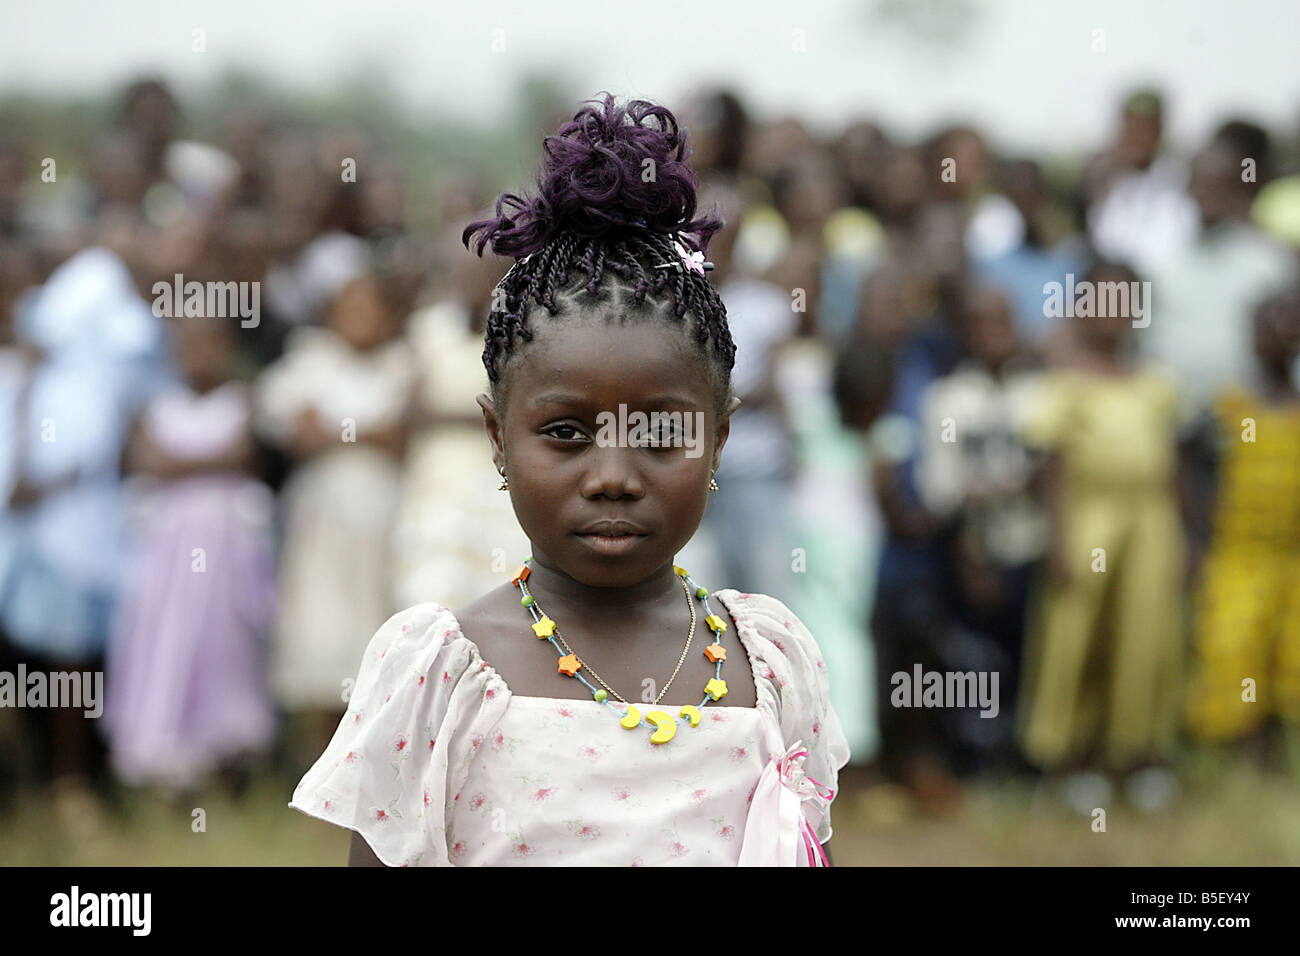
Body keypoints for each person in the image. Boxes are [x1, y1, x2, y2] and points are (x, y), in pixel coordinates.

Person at [288, 94, 850, 866]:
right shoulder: (444, 676)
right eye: (565, 433)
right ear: (497, 437)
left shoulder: (770, 666)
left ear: (719, 439)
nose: (613, 476)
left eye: (660, 432)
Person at [1017, 261, 1185, 813]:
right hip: (1088, 519)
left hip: (1151, 521)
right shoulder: (1066, 383)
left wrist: (1184, 534)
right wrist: (1061, 538)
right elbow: (1054, 468)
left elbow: (1171, 466)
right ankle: (1073, 758)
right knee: (1078, 634)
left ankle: (1138, 755)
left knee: (1146, 635)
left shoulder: (1155, 382)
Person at [256, 242, 419, 764]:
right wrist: (368, 433)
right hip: (322, 523)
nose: (360, 318)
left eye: (371, 307)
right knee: (324, 630)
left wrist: (336, 431)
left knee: (378, 631)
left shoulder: (403, 364)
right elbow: (297, 434)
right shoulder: (310, 358)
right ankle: (323, 768)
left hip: (384, 522)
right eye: (349, 307)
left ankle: (377, 766)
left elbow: (402, 439)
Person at [103, 311, 277, 792]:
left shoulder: (240, 399)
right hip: (169, 556)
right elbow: (146, 461)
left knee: (223, 641)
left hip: (225, 555)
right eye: (190, 345)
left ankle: (226, 756)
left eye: (210, 345)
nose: (200, 355)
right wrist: (205, 462)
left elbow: (240, 455)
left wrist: (180, 463)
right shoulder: (154, 406)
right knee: (168, 640)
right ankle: (164, 761)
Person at [1184, 290, 1300, 754]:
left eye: (1292, 324)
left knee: (1291, 651)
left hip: (1293, 555)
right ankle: (1235, 752)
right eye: (1272, 325)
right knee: (1232, 647)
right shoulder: (1227, 404)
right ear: (1253, 338)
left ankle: (1282, 748)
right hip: (1238, 553)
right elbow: (1183, 463)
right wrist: (1194, 532)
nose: (1284, 334)